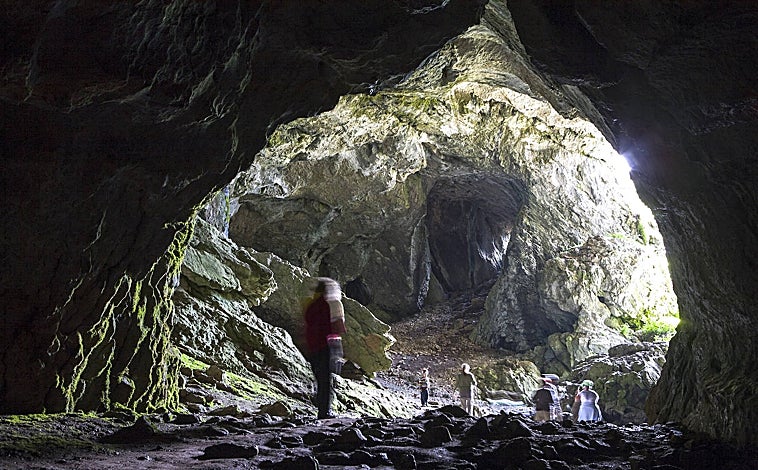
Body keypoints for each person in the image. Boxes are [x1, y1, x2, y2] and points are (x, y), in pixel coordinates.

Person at [303, 277, 346, 419]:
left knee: (320, 380)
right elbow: (336, 327)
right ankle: (324, 411)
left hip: (313, 346)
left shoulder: (312, 305)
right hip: (327, 346)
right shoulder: (330, 304)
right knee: (326, 381)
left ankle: (322, 408)